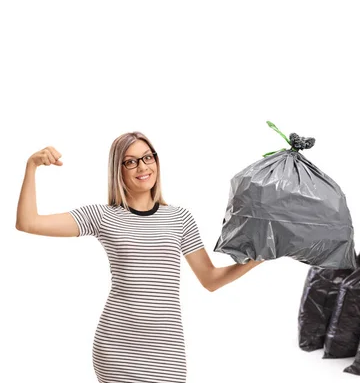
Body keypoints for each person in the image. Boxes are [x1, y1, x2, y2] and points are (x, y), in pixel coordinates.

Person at [15, 131, 263, 383]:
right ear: (118, 169)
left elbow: (211, 279)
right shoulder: (102, 216)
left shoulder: (179, 219)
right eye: (131, 161)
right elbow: (28, 223)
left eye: (147, 157)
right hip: (117, 347)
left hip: (167, 350)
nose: (142, 167)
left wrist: (261, 256)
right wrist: (31, 166)